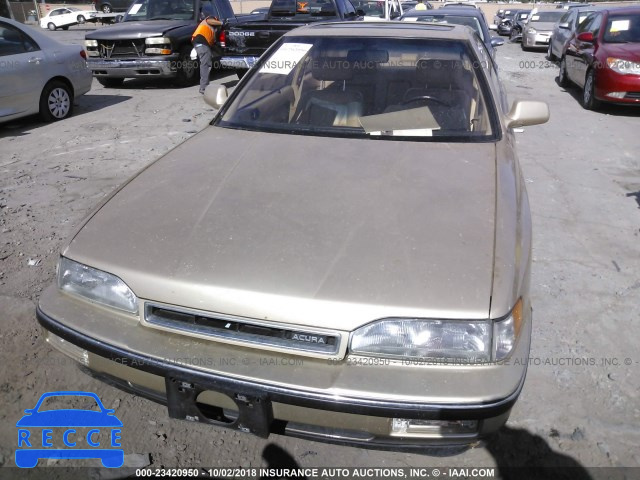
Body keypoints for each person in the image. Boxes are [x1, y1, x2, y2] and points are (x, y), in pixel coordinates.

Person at [191, 7, 222, 94]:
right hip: (201, 42)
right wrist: (221, 22)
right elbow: (210, 21)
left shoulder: (209, 28)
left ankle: (204, 86)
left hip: (201, 43)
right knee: (205, 65)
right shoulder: (210, 19)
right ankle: (204, 88)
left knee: (205, 63)